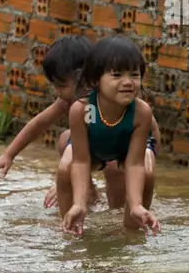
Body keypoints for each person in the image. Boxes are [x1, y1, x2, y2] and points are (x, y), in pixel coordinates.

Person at [0, 34, 160, 210]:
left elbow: (150, 126)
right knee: (65, 140)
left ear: (85, 76)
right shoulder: (73, 102)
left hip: (123, 148)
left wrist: (151, 154)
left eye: (61, 86)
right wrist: (9, 155)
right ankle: (86, 190)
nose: (57, 92)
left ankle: (117, 210)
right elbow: (39, 123)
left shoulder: (119, 97)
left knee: (115, 173)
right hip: (95, 147)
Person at [59, 35, 160, 236]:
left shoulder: (140, 112)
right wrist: (80, 202)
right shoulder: (85, 110)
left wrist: (136, 204)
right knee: (65, 168)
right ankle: (70, 225)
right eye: (116, 75)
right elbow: (80, 161)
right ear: (96, 79)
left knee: (147, 173)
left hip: (127, 152)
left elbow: (134, 164)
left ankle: (133, 228)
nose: (128, 82)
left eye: (134, 74)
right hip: (93, 149)